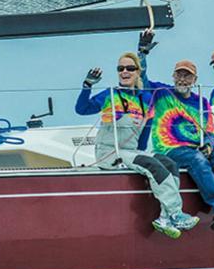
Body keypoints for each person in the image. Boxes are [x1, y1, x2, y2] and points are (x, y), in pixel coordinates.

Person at [75, 33, 200, 239]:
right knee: (152, 164)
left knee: (168, 163)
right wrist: (88, 85)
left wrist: (142, 53)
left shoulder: (145, 99)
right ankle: (177, 213)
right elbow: (82, 109)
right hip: (110, 153)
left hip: (132, 152)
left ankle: (164, 218)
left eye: (130, 68)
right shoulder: (110, 95)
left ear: (137, 73)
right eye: (120, 68)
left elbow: (143, 137)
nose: (125, 71)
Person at [147, 60, 214, 231]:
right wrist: (143, 53)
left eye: (187, 76)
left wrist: (209, 146)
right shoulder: (162, 93)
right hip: (169, 149)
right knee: (197, 159)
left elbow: (210, 133)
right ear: (173, 76)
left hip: (195, 148)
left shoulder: (202, 102)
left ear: (195, 79)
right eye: (179, 74)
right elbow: (141, 78)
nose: (182, 79)